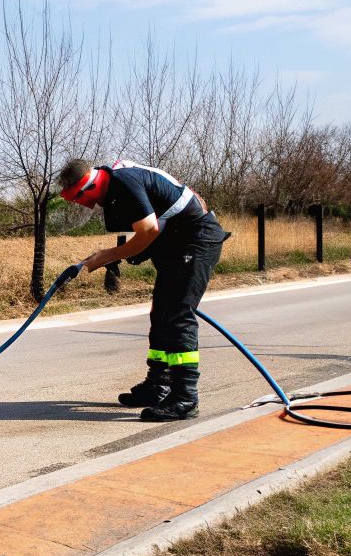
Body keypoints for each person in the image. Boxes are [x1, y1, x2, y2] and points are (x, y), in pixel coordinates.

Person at [57, 157, 228, 420]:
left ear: (87, 188)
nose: (80, 205)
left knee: (178, 315)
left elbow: (147, 230)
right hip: (177, 241)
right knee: (160, 314)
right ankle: (158, 386)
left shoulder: (123, 183)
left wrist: (108, 255)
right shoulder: (116, 185)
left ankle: (185, 397)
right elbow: (155, 225)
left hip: (196, 240)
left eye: (76, 199)